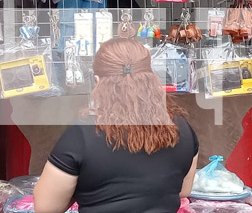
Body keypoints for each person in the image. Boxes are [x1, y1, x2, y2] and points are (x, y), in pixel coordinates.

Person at [34, 38, 199, 213]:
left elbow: (46, 208)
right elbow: (183, 190)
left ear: (98, 81)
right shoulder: (182, 128)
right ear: (151, 79)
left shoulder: (82, 135)